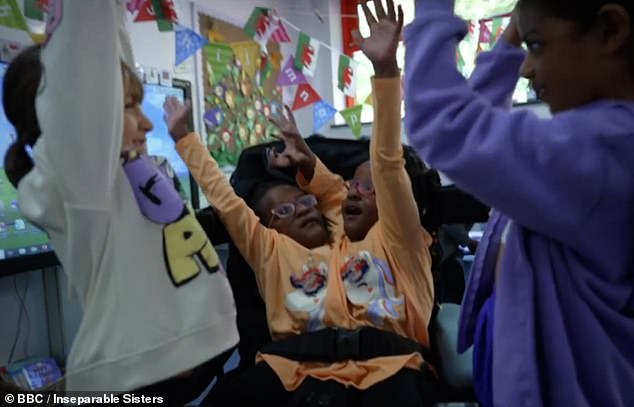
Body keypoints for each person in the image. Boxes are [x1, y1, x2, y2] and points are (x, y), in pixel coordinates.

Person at [165, 1, 436, 404]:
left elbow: (386, 164)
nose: (351, 192)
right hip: (292, 371)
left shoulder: (397, 240)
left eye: (367, 189)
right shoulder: (278, 248)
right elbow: (235, 205)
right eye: (349, 187)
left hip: (388, 369)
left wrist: (384, 73)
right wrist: (186, 141)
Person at [2, 1, 237, 402]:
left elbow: (112, 52)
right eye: (127, 107)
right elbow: (85, 49)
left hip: (172, 366)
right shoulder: (85, 178)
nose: (147, 122)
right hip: (133, 380)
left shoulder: (122, 166)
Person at [403, 0, 634, 406]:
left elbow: (447, 123)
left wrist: (433, 11)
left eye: (538, 47)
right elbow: (476, 119)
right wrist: (514, 36)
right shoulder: (602, 144)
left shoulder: (603, 150)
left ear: (610, 31)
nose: (526, 69)